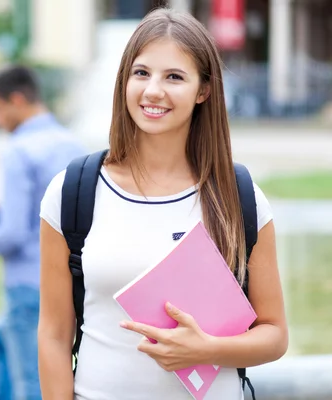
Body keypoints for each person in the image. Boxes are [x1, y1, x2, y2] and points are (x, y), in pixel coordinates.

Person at [37, 8, 288, 400]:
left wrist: (206, 349)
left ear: (203, 90)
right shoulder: (72, 192)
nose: (153, 90)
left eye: (174, 76)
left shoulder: (239, 197)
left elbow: (274, 335)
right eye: (141, 73)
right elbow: (53, 335)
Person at [0, 65, 86, 400]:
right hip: (70, 283)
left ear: (18, 100)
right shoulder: (73, 145)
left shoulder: (18, 151)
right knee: (2, 342)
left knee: (31, 383)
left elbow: (12, 235)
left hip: (27, 285)